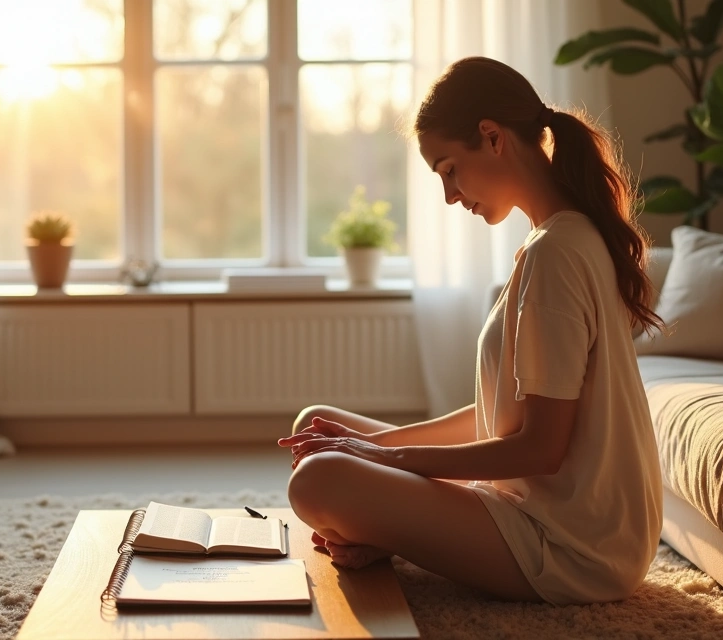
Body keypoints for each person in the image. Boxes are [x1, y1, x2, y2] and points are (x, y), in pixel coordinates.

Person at [277, 56, 665, 604]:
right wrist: (366, 445)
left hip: (573, 547)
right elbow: (498, 418)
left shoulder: (557, 252)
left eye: (448, 169)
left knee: (317, 480)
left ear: (491, 137)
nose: (450, 195)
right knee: (316, 427)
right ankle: (392, 526)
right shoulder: (555, 238)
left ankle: (388, 530)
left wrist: (381, 459)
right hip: (541, 514)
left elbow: (539, 449)